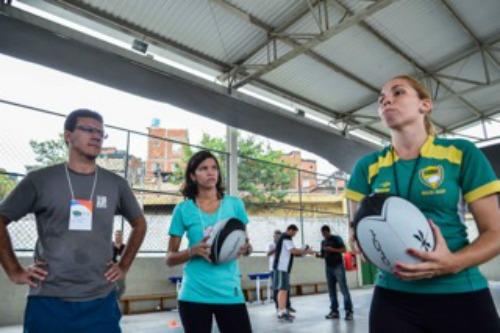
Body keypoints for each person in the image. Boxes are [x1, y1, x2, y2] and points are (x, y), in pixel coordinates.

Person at [346, 75, 500, 333]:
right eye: (381, 99)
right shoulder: (367, 167)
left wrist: (453, 262)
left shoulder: (461, 153)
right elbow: (356, 231)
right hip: (393, 299)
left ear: (425, 105)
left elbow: (495, 232)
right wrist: (360, 241)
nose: (387, 101)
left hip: (459, 289)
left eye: (398, 93)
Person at [0, 109, 147, 333]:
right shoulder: (39, 180)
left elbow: (140, 223)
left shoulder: (116, 184)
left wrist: (124, 265)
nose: (96, 136)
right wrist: (14, 270)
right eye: (88, 129)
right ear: (68, 136)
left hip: (101, 299)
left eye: (101, 132)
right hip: (49, 300)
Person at [166, 150, 253, 333]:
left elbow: (247, 245)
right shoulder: (183, 209)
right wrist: (192, 251)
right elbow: (169, 258)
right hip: (194, 295)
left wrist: (245, 248)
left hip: (229, 292)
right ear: (193, 175)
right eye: (203, 168)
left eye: (214, 168)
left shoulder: (235, 204)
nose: (210, 172)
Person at [272, 224, 315, 322]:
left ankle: (283, 311)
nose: (294, 235)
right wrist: (306, 250)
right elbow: (294, 251)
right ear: (289, 230)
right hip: (282, 267)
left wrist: (305, 252)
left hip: (284, 268)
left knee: (284, 290)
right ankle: (281, 312)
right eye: (294, 233)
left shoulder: (286, 238)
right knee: (282, 289)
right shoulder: (286, 237)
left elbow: (294, 253)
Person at [315, 225, 353, 320]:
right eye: (322, 234)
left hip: (338, 267)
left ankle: (349, 312)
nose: (324, 235)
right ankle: (334, 311)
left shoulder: (336, 239)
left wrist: (332, 249)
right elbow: (323, 255)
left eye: (325, 233)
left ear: (328, 231)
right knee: (331, 291)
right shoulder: (323, 242)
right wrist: (318, 255)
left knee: (343, 289)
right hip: (328, 268)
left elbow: (344, 250)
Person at [267, 230, 294, 312]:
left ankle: (287, 305)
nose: (277, 238)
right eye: (276, 236)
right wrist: (277, 248)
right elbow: (268, 254)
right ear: (273, 237)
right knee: (276, 288)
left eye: (279, 236)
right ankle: (278, 307)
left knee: (286, 287)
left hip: (284, 268)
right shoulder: (271, 245)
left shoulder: (284, 243)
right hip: (274, 269)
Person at [113, 230, 126, 299]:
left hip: (121, 269)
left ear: (122, 237)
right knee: (112, 287)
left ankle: (117, 299)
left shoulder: (124, 247)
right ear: (114, 236)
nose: (118, 236)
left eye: (119, 235)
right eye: (116, 235)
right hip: (112, 269)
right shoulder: (110, 246)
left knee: (121, 287)